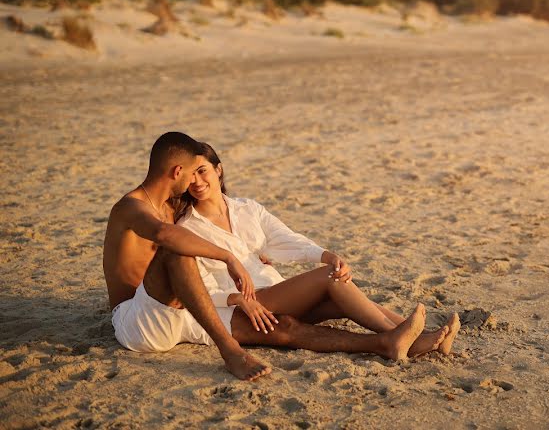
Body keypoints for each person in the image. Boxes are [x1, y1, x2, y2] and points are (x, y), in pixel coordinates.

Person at [104, 132, 428, 383]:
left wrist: (255, 258)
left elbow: (265, 237)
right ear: (179, 171)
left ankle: (404, 339)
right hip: (137, 318)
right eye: (192, 174)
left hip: (182, 311)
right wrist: (229, 260)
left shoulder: (173, 207)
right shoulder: (133, 206)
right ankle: (230, 353)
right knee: (178, 251)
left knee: (300, 317)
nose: (195, 183)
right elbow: (166, 238)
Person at [174, 142, 461, 357]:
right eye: (191, 176)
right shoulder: (187, 228)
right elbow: (195, 287)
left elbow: (284, 238)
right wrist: (237, 298)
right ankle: (403, 337)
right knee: (327, 278)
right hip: (248, 307)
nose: (198, 182)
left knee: (338, 292)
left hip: (275, 291)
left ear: (218, 169)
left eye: (203, 171)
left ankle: (420, 338)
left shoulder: (246, 208)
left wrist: (326, 255)